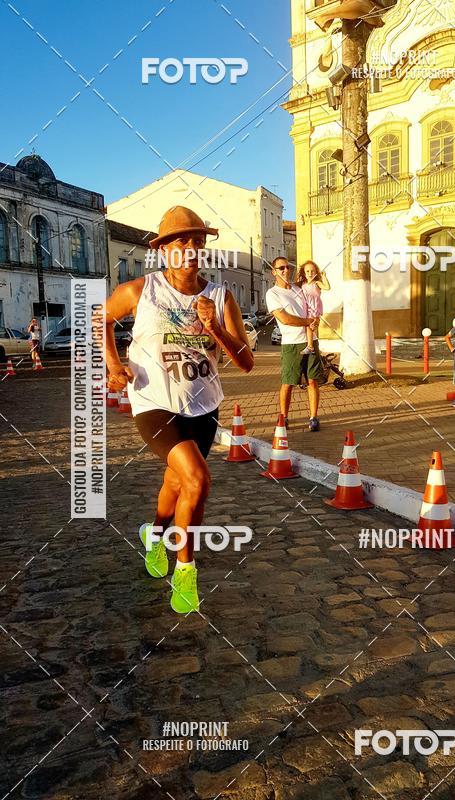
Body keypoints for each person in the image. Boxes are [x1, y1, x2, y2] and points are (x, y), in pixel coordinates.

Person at [103, 206, 253, 614]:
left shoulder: (220, 296)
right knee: (198, 480)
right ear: (163, 249)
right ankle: (185, 569)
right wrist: (114, 364)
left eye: (196, 242)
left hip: (203, 405)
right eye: (180, 241)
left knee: (176, 484)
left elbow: (246, 362)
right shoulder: (140, 291)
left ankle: (154, 535)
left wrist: (215, 329)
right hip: (153, 403)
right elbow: (99, 317)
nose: (189, 249)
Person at [266, 256, 322, 431]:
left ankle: (313, 417)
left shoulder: (300, 288)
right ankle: (284, 417)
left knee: (313, 381)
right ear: (273, 272)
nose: (285, 271)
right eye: (281, 268)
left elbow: (314, 305)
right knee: (288, 383)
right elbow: (285, 318)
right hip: (291, 344)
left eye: (288, 267)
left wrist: (316, 320)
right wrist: (307, 321)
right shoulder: (272, 293)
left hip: (311, 340)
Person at [295, 260, 330, 355]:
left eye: (312, 271)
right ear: (304, 272)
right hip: (306, 308)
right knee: (310, 327)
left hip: (315, 308)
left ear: (316, 272)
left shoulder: (317, 283)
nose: (310, 273)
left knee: (310, 327)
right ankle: (313, 347)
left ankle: (310, 346)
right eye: (307, 271)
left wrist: (324, 276)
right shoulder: (302, 284)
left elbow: (327, 287)